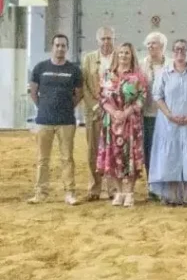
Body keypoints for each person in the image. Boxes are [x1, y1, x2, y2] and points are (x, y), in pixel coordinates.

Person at [150, 39, 187, 206]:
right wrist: (169, 115)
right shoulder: (163, 73)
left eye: (183, 49)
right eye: (177, 49)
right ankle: (172, 195)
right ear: (172, 52)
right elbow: (157, 96)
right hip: (168, 123)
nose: (180, 52)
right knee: (171, 157)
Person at [28, 34, 84, 205]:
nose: (60, 48)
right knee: (42, 159)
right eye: (57, 45)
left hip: (66, 121)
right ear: (52, 46)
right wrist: (44, 107)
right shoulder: (40, 68)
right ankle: (41, 193)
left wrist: (66, 107)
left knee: (67, 158)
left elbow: (79, 94)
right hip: (44, 121)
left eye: (63, 45)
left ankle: (69, 193)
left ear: (67, 48)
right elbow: (33, 92)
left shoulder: (74, 70)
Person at [97, 42, 148, 208]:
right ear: (116, 55)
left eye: (127, 53)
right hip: (111, 122)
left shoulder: (138, 77)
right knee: (113, 156)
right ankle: (118, 192)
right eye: (120, 53)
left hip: (131, 124)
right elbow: (102, 97)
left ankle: (130, 192)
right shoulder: (107, 75)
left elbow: (142, 98)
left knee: (131, 156)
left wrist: (126, 113)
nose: (123, 56)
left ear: (131, 55)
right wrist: (113, 112)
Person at [81, 25, 116, 200]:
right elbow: (84, 87)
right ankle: (94, 188)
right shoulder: (88, 59)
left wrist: (113, 109)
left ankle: (113, 189)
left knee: (114, 150)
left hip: (115, 114)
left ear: (113, 39)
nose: (106, 42)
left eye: (109, 38)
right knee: (93, 150)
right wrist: (96, 107)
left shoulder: (120, 57)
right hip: (94, 113)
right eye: (103, 38)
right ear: (97, 40)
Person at [139, 31, 168, 200]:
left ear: (162, 46)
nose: (150, 46)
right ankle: (152, 186)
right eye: (148, 44)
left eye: (154, 43)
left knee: (165, 151)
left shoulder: (170, 64)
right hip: (147, 115)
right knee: (149, 151)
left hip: (166, 116)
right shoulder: (141, 66)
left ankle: (166, 184)